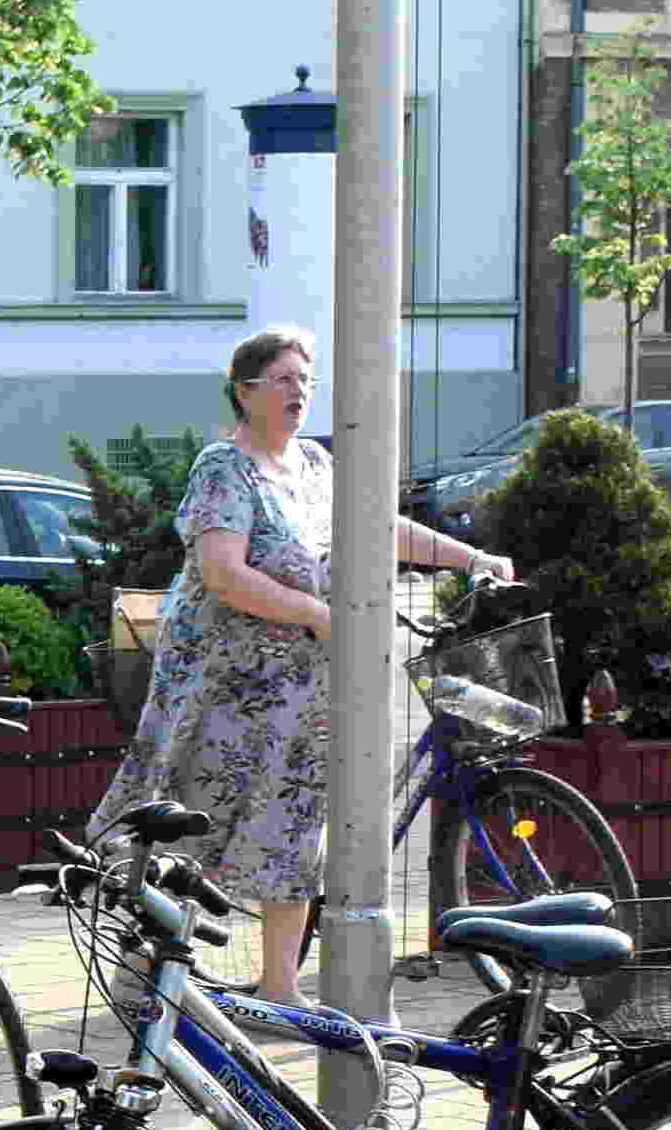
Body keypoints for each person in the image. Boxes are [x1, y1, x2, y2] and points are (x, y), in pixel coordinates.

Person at [104, 328, 499, 998]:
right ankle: (145, 964)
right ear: (244, 390)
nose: (299, 394)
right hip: (223, 683)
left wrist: (470, 558)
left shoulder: (315, 465)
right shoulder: (223, 469)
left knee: (291, 824)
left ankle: (279, 987)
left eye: (306, 382)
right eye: (284, 380)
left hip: (301, 686)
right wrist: (319, 614)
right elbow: (223, 573)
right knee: (197, 820)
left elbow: (379, 528)